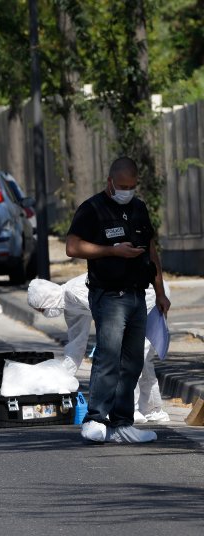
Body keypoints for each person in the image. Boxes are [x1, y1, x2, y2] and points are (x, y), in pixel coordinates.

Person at [66, 156, 171, 443]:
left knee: (133, 361)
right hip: (109, 295)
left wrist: (160, 292)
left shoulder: (138, 208)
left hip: (138, 294)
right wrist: (112, 251)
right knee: (108, 356)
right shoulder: (92, 209)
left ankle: (122, 423)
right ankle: (95, 418)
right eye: (122, 186)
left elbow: (151, 250)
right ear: (109, 182)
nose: (127, 191)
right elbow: (72, 247)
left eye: (131, 186)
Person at [27, 275, 171, 424]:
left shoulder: (74, 292)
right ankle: (152, 410)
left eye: (42, 309)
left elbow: (108, 310)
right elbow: (76, 344)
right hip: (131, 301)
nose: (44, 313)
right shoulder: (70, 306)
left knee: (132, 356)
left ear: (46, 299)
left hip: (146, 295)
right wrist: (62, 378)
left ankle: (129, 409)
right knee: (142, 361)